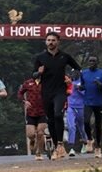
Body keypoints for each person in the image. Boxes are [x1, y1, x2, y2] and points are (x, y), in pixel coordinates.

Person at [33, 31, 81, 160]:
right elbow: (34, 75)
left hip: (60, 90)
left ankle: (60, 144)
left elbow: (77, 68)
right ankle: (56, 146)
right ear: (45, 42)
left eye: (53, 40)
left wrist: (70, 78)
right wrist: (38, 72)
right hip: (46, 92)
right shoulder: (40, 57)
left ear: (58, 42)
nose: (51, 42)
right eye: (48, 40)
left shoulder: (64, 56)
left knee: (58, 114)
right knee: (51, 120)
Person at [80, 55, 102, 158]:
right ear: (88, 62)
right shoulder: (84, 73)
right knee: (86, 121)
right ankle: (90, 139)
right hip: (88, 101)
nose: (92, 62)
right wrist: (80, 87)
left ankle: (98, 147)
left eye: (94, 61)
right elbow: (83, 85)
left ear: (97, 62)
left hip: (99, 102)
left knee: (98, 125)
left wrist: (99, 84)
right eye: (90, 61)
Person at [17, 73, 47, 161]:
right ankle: (32, 140)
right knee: (30, 134)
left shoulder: (46, 82)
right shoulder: (28, 83)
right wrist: (24, 101)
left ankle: (39, 153)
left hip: (43, 112)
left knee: (40, 133)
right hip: (31, 112)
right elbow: (20, 93)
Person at [65, 70, 88, 157]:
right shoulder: (69, 82)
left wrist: (78, 88)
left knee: (81, 127)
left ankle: (85, 143)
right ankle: (71, 148)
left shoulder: (82, 82)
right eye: (73, 72)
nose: (74, 74)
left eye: (76, 72)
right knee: (71, 126)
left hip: (81, 107)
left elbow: (85, 93)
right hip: (70, 106)